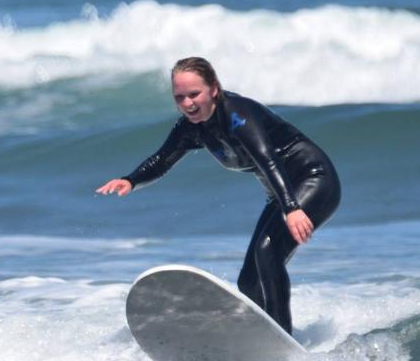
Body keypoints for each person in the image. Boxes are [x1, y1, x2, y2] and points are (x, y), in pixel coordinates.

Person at [96, 57, 340, 335]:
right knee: (249, 283)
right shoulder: (191, 127)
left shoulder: (238, 115)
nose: (187, 103)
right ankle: (266, 339)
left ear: (213, 89)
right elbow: (162, 159)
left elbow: (267, 159)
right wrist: (131, 180)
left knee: (267, 252)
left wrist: (292, 208)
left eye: (194, 94)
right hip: (283, 195)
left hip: (313, 180)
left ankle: (284, 337)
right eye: (180, 97)